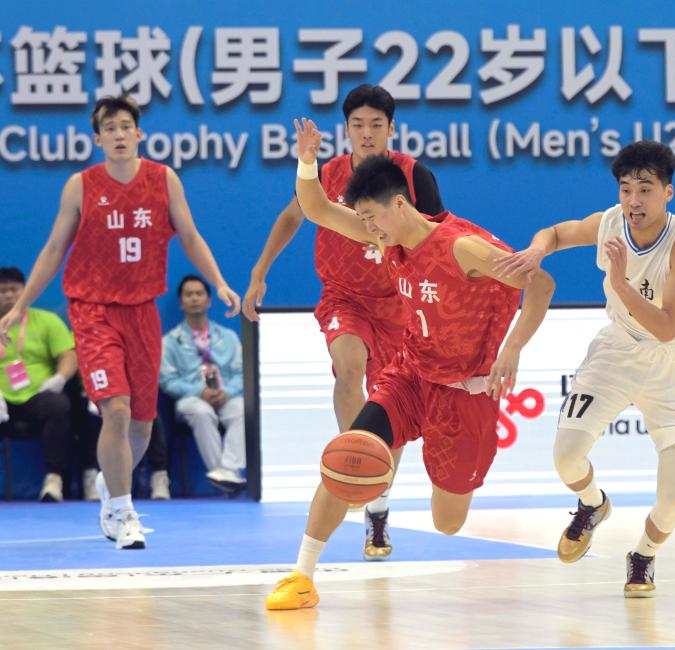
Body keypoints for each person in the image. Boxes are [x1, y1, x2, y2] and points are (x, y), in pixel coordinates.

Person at [264, 122, 554, 610]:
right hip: (410, 376)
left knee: (448, 522)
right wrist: (307, 161)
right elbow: (317, 210)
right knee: (349, 452)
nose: (369, 229)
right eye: (363, 220)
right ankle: (302, 576)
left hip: (465, 393)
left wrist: (513, 348)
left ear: (400, 204)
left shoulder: (463, 249)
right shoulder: (388, 239)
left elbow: (541, 286)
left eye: (372, 218)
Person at [0, 95, 240, 549]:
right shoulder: (80, 186)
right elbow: (54, 250)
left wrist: (220, 282)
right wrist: (20, 307)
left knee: (142, 425)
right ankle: (122, 511)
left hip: (141, 310)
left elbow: (190, 236)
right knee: (116, 408)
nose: (119, 134)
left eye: (125, 126)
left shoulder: (163, 180)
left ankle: (113, 487)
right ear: (97, 139)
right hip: (92, 310)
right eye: (109, 128)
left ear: (139, 133)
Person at [494, 141, 675, 598]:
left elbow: (667, 327)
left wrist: (619, 283)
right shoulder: (610, 223)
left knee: (672, 501)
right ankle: (593, 505)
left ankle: (644, 555)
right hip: (618, 350)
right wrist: (536, 251)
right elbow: (555, 233)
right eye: (626, 189)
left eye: (645, 189)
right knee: (566, 456)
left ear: (668, 193)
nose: (634, 200)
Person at [243, 84, 444, 560]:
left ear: (391, 128)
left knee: (391, 405)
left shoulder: (414, 176)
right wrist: (259, 271)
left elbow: (439, 241)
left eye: (376, 124)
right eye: (358, 124)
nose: (367, 132)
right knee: (349, 365)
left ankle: (378, 505)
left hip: (398, 301)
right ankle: (355, 457)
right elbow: (293, 217)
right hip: (344, 296)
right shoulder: (327, 173)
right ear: (347, 128)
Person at [160, 274, 246, 495]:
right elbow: (167, 380)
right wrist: (199, 391)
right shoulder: (169, 342)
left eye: (199, 294)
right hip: (191, 399)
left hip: (226, 395)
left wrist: (226, 391)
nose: (194, 298)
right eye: (189, 294)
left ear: (209, 300)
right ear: (181, 303)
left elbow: (242, 373)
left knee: (242, 410)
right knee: (201, 412)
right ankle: (225, 474)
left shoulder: (228, 337)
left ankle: (226, 471)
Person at [0, 266, 78, 502]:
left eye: (15, 290)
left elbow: (68, 355)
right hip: (2, 398)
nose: (9, 295)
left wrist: (59, 378)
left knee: (58, 405)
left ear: (26, 291)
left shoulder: (47, 321)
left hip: (37, 395)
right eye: (3, 290)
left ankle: (54, 479)